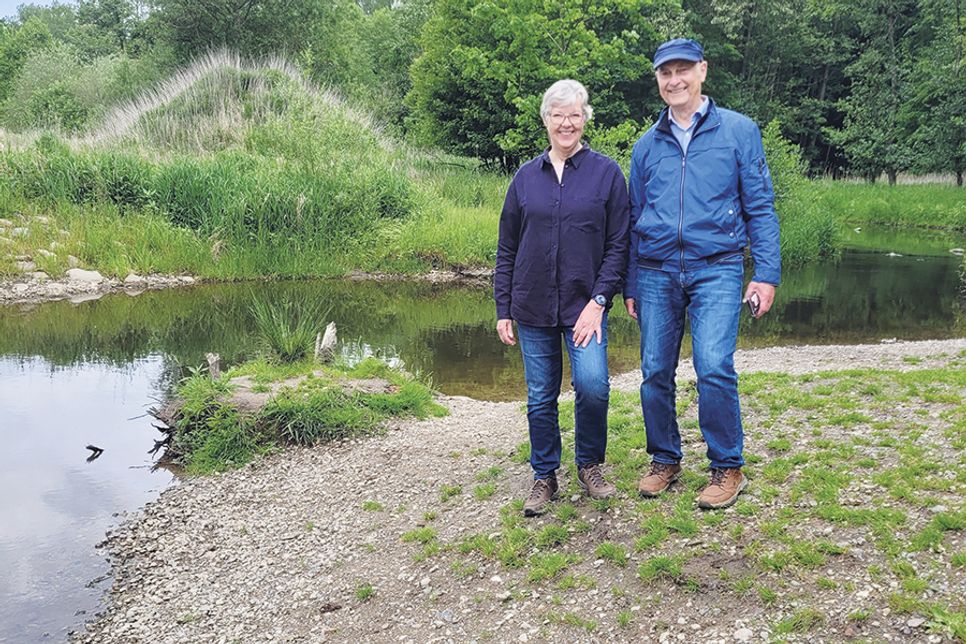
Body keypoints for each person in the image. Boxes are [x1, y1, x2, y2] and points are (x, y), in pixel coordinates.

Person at [624, 38, 781, 510]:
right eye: (665, 72)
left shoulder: (739, 131)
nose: (674, 80)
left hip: (718, 267)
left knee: (713, 366)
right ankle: (665, 459)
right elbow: (634, 218)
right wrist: (630, 282)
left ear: (703, 71)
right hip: (655, 270)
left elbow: (760, 207)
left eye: (683, 70)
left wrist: (766, 273)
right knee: (654, 371)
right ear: (657, 80)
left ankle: (727, 466)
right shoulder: (647, 146)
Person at [495, 79, 630, 517]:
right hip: (531, 305)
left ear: (584, 119)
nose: (566, 123)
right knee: (540, 396)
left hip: (585, 307)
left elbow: (618, 244)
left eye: (574, 115)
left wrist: (600, 300)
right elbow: (507, 247)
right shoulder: (524, 178)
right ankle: (544, 476)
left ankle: (589, 465)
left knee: (592, 386)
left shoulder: (606, 174)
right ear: (546, 121)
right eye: (558, 115)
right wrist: (503, 308)